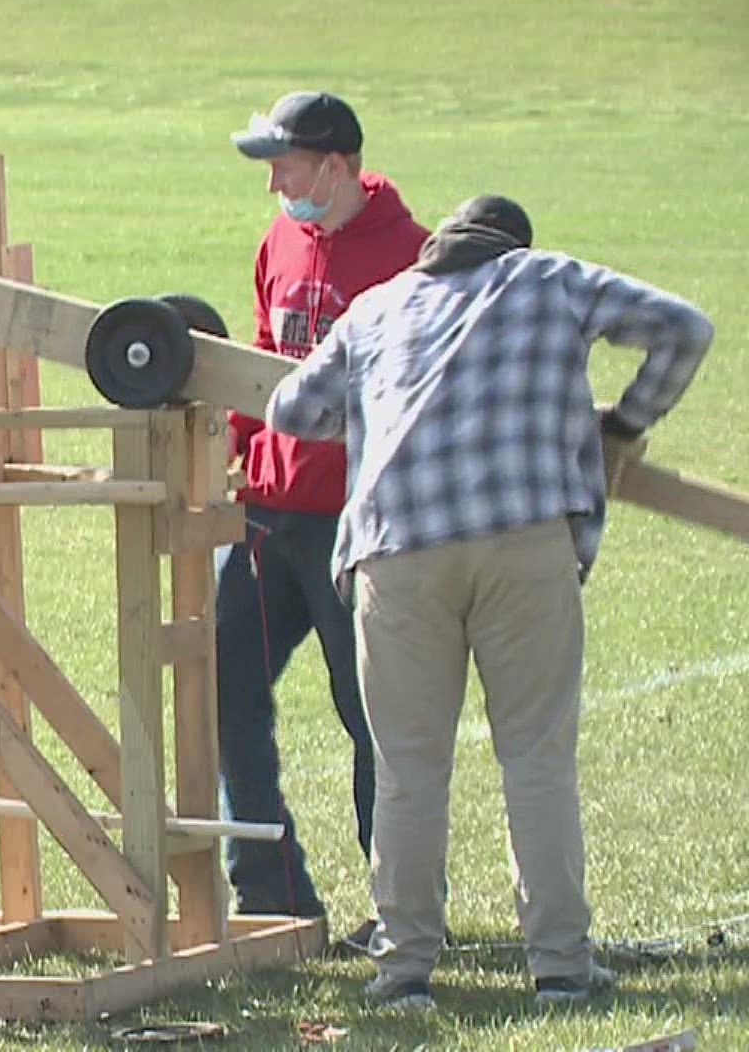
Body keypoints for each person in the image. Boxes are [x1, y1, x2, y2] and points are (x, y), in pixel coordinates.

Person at [264, 195, 713, 1009]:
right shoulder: (548, 278)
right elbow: (686, 329)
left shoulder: (378, 305)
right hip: (524, 542)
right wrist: (627, 421)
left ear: (438, 247)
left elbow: (293, 409)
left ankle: (404, 969)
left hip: (395, 551)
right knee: (536, 758)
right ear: (512, 247)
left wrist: (378, 416)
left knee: (407, 768)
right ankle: (560, 967)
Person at [219, 91, 430, 943]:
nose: (275, 182)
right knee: (222, 686)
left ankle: (399, 910)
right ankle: (271, 893)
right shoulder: (277, 239)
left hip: (362, 519)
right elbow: (263, 356)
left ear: (336, 166)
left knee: (370, 712)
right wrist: (235, 445)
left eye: (286, 165)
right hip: (269, 512)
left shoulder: (413, 257)